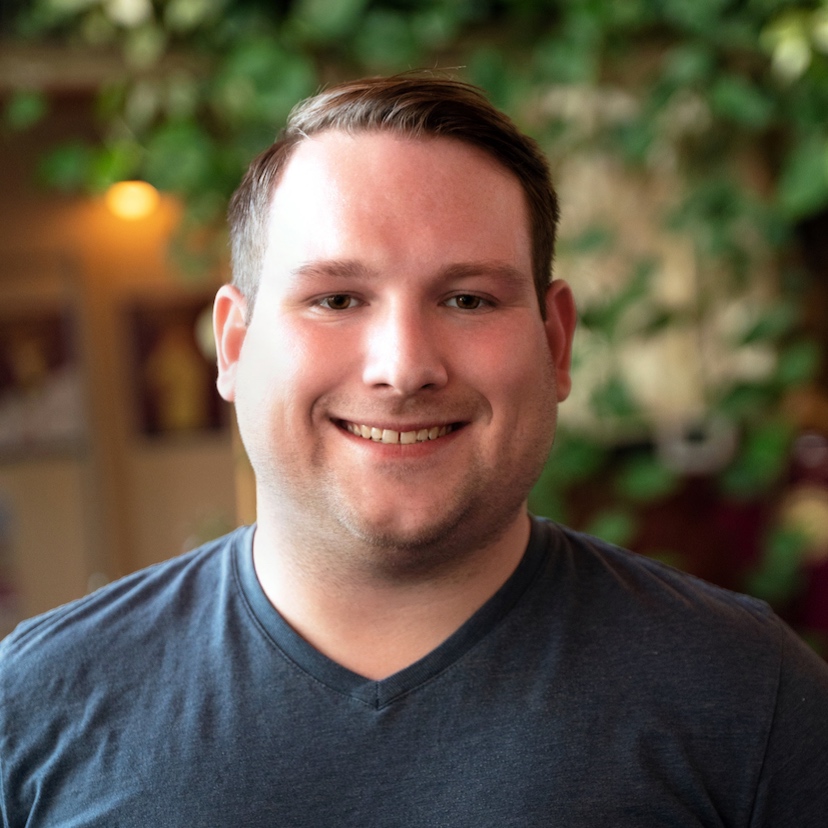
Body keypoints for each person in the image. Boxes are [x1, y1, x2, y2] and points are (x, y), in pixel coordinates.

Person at [1, 74, 827, 827]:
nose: (404, 367)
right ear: (235, 346)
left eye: (468, 298)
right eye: (335, 299)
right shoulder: (32, 707)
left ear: (557, 341)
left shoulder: (751, 699)